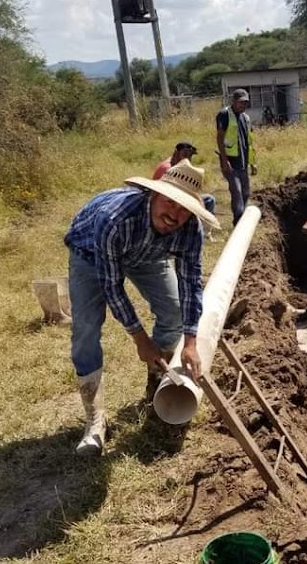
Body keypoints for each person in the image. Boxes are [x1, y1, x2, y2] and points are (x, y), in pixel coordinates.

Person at [64, 160, 220, 457]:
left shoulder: (190, 231)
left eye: (184, 209)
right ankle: (95, 422)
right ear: (154, 194)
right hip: (91, 253)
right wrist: (140, 340)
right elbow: (112, 286)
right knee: (86, 328)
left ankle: (156, 381)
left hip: (148, 254)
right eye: (169, 202)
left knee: (174, 310)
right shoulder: (115, 219)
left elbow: (191, 284)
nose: (175, 215)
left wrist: (190, 342)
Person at [152, 143, 216, 237]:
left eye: (190, 155)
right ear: (176, 153)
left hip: (176, 199)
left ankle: (200, 232)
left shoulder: (182, 169)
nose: (187, 158)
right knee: (208, 200)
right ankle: (199, 232)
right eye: (185, 154)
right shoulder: (169, 169)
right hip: (170, 198)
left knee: (208, 200)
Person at [216, 88, 257, 226]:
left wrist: (253, 163)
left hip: (243, 162)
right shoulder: (224, 114)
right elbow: (220, 138)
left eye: (245, 103)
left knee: (246, 193)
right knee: (237, 191)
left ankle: (241, 217)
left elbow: (249, 142)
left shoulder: (246, 118)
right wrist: (224, 160)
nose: (243, 105)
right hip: (230, 163)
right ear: (234, 101)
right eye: (241, 102)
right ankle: (238, 222)